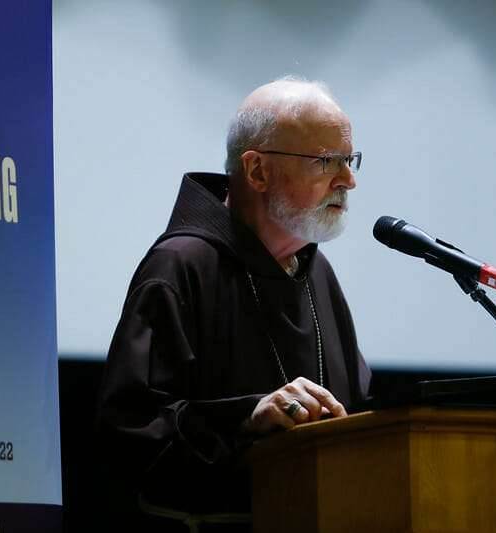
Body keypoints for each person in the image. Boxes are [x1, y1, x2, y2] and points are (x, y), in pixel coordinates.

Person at [95, 76, 371, 531]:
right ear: (257, 171)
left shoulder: (316, 272)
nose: (349, 180)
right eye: (327, 162)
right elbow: (128, 432)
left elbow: (358, 410)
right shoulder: (180, 266)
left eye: (350, 159)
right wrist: (246, 417)